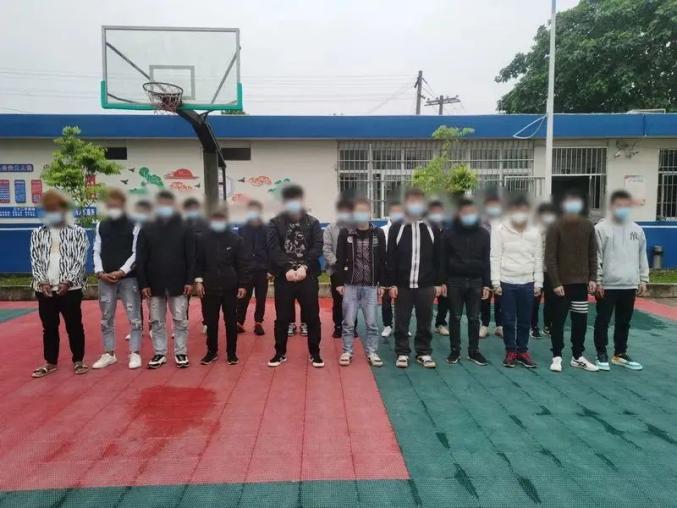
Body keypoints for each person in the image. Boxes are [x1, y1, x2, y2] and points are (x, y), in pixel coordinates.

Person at [30, 190, 89, 378]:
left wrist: (68, 281)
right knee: (49, 327)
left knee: (74, 326)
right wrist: (42, 281)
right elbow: (35, 260)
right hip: (45, 289)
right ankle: (50, 362)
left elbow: (80, 259)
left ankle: (78, 360)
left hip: (70, 288)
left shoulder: (78, 232)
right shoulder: (38, 233)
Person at [267, 184, 324, 368]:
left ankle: (315, 353)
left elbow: (317, 246)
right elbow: (273, 248)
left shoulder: (312, 222)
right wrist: (286, 268)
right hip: (285, 277)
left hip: (307, 275)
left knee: (312, 317)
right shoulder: (275, 223)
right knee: (282, 318)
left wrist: (305, 267)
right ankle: (279, 353)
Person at [136, 191, 195, 369]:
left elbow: (191, 257)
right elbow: (141, 259)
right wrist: (143, 283)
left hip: (179, 283)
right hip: (154, 284)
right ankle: (159, 353)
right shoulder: (147, 228)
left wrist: (189, 280)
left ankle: (181, 352)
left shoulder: (185, 227)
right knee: (156, 321)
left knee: (180, 320)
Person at [386, 188, 444, 369]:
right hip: (402, 285)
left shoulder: (433, 227)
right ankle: (402, 352)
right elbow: (391, 258)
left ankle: (423, 352)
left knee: (425, 321)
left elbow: (439, 257)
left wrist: (438, 283)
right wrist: (391, 283)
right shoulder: (397, 227)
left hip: (425, 286)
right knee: (401, 321)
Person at [593, 190, 648, 371]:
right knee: (603, 321)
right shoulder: (601, 229)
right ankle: (601, 353)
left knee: (624, 322)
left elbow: (642, 256)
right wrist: (598, 280)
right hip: (607, 285)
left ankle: (620, 353)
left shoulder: (637, 230)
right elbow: (596, 257)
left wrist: (643, 279)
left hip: (629, 284)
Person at [545, 190, 598, 373]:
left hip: (581, 285)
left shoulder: (588, 225)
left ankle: (577, 356)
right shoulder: (555, 226)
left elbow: (593, 254)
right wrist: (555, 282)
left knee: (580, 323)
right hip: (561, 286)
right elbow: (550, 257)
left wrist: (593, 278)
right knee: (558, 322)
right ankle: (557, 356)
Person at [92, 188, 143, 370]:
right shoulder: (101, 225)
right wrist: (100, 272)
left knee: (134, 317)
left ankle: (135, 353)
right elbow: (96, 251)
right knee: (106, 317)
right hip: (105, 279)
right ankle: (109, 353)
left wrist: (122, 271)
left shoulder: (135, 224)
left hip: (129, 279)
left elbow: (137, 253)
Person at [491, 195, 543, 368]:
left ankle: (522, 350)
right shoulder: (500, 229)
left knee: (525, 320)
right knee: (508, 319)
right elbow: (495, 256)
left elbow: (538, 258)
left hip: (527, 281)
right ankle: (510, 350)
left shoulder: (534, 230)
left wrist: (538, 283)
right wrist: (495, 282)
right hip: (507, 281)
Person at [335, 197, 387, 367]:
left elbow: (383, 261)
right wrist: (339, 283)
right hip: (351, 285)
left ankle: (372, 352)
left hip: (371, 286)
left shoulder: (378, 233)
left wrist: (381, 284)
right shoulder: (346, 233)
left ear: (370, 212)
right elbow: (339, 259)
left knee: (372, 323)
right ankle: (347, 351)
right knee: (348, 322)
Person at [195, 207, 250, 365]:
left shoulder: (236, 240)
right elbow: (198, 262)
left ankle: (231, 353)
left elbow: (242, 264)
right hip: (209, 287)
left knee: (231, 322)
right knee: (211, 322)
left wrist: (243, 285)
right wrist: (198, 281)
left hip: (230, 287)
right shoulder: (203, 239)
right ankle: (211, 352)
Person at [440, 198, 491, 366]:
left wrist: (487, 284)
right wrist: (442, 281)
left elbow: (487, 260)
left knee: (474, 318)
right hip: (454, 281)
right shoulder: (449, 233)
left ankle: (474, 351)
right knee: (455, 317)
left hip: (476, 281)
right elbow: (442, 260)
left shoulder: (484, 234)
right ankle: (455, 351)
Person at [236, 200, 269, 336]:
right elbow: (238, 249)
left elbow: (270, 249)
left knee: (261, 298)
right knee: (243, 297)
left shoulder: (267, 228)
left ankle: (258, 322)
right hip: (246, 269)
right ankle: (239, 322)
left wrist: (270, 269)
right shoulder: (242, 228)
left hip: (262, 270)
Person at [323, 198, 355, 338]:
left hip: (353, 270)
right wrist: (338, 265)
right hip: (336, 269)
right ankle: (338, 326)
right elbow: (326, 249)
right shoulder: (330, 228)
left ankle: (352, 326)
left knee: (353, 300)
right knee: (338, 300)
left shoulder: (356, 228)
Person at [531, 202, 558, 339]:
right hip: (536, 270)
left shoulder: (556, 228)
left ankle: (548, 326)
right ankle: (533, 326)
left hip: (550, 271)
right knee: (534, 300)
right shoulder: (533, 228)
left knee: (551, 300)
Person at [183, 197, 208, 334]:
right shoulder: (181, 224)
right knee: (184, 297)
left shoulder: (206, 224)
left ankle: (207, 322)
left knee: (204, 295)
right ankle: (183, 322)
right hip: (185, 267)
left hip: (202, 265)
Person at [380, 201, 404, 339]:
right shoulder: (382, 230)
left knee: (403, 300)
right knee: (386, 299)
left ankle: (402, 326)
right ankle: (387, 325)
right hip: (386, 269)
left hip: (401, 270)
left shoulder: (405, 229)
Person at [481, 194, 504, 338]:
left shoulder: (504, 224)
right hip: (485, 263)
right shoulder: (481, 224)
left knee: (500, 295)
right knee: (485, 295)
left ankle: (500, 325)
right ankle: (484, 325)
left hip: (501, 264)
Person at [428, 200, 450, 337]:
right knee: (425, 300)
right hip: (428, 271)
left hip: (444, 270)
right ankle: (424, 325)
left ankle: (440, 324)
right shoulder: (426, 229)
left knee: (445, 298)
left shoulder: (449, 229)